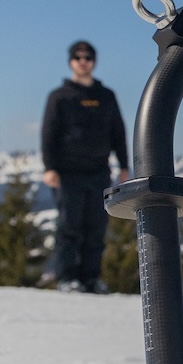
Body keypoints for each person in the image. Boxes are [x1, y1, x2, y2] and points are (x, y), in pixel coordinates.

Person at [41, 41, 130, 293]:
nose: (83, 61)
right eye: (78, 57)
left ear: (94, 61)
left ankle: (91, 278)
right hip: (67, 174)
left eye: (88, 57)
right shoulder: (59, 97)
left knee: (96, 228)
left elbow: (118, 132)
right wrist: (50, 167)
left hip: (99, 172)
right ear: (71, 61)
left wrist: (124, 166)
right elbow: (48, 134)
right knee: (69, 227)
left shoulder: (106, 96)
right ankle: (67, 278)